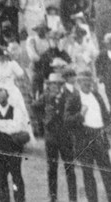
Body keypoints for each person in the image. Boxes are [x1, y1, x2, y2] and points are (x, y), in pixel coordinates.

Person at [64, 70, 111, 202]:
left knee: (107, 173)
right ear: (78, 82)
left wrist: (107, 128)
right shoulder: (74, 98)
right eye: (84, 81)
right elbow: (66, 120)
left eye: (89, 81)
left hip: (99, 136)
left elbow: (106, 115)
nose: (87, 84)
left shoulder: (97, 95)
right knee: (88, 175)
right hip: (84, 139)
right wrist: (80, 115)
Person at [32, 72, 77, 202]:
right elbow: (34, 107)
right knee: (52, 169)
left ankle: (73, 198)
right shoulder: (45, 97)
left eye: (58, 84)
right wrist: (44, 120)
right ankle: (53, 197)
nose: (55, 87)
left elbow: (76, 111)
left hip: (66, 138)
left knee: (70, 168)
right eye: (52, 84)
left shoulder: (69, 96)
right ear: (49, 85)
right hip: (51, 138)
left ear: (62, 85)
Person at [0, 87, 28, 202]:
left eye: (3, 97)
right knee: (2, 177)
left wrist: (0, 125)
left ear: (7, 97)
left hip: (13, 147)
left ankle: (19, 199)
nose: (1, 99)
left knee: (16, 176)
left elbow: (18, 126)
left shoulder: (15, 109)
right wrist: (9, 124)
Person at [0, 46, 33, 138]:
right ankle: (3, 137)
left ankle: (19, 135)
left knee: (17, 112)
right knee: (0, 112)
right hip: (0, 92)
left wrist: (12, 74)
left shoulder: (12, 64)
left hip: (12, 91)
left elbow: (20, 73)